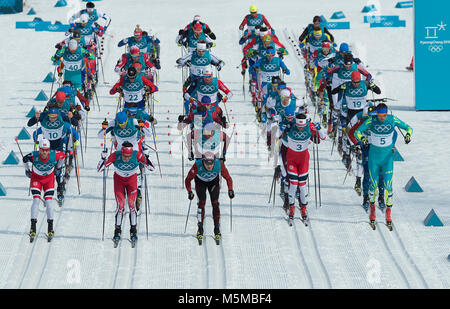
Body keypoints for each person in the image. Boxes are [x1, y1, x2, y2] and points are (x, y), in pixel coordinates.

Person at [354, 103, 413, 229]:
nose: (382, 118)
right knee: (373, 185)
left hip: (387, 160)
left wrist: (408, 136)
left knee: (388, 186)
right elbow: (357, 132)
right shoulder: (371, 120)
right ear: (377, 114)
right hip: (374, 159)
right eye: (380, 115)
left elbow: (408, 128)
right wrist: (363, 140)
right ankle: (372, 211)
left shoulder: (392, 119)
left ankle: (388, 213)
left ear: (387, 113)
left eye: (384, 115)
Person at [97, 142, 155, 243]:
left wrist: (147, 157)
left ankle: (133, 230)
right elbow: (100, 169)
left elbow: (152, 168)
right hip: (119, 181)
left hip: (132, 181)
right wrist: (103, 158)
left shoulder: (136, 155)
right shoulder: (116, 155)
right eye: (124, 156)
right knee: (121, 205)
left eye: (128, 156)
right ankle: (117, 230)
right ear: (122, 153)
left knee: (132, 205)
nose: (127, 159)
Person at [282, 114, 326, 224]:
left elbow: (323, 137)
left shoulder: (309, 126)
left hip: (303, 160)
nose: (300, 128)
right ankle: (291, 209)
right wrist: (283, 129)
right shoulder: (291, 125)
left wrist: (319, 130)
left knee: (302, 186)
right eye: (298, 126)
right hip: (292, 159)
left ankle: (303, 209)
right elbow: (280, 138)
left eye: (302, 126)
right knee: (293, 184)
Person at [185, 153, 234, 244]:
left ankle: (217, 228)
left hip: (213, 182)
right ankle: (200, 228)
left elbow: (228, 178)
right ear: (203, 161)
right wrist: (190, 192)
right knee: (201, 203)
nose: (209, 166)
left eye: (211, 163)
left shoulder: (219, 164)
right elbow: (187, 179)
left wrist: (230, 190)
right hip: (200, 182)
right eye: (207, 163)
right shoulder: (197, 165)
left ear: (214, 161)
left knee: (215, 203)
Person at [23, 138, 65, 242]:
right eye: (42, 150)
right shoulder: (34, 155)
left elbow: (63, 156)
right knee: (36, 200)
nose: (44, 152)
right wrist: (27, 170)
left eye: (46, 150)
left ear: (49, 149)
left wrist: (58, 168)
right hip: (36, 179)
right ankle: (33, 226)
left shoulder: (55, 154)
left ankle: (50, 227)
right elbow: (24, 159)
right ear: (39, 149)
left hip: (49, 179)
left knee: (49, 201)